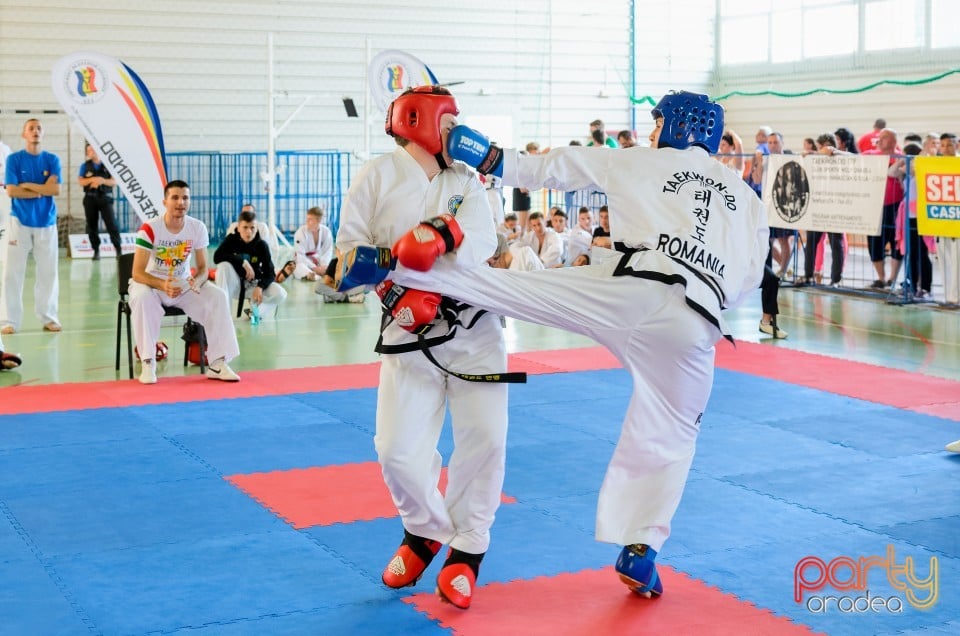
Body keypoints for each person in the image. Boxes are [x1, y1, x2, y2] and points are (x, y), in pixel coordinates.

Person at [394, 90, 768, 599]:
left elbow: (560, 167)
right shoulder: (746, 197)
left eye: (657, 124)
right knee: (675, 434)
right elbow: (749, 278)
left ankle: (394, 268)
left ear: (678, 126)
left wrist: (490, 158)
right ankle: (642, 548)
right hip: (698, 321)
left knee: (520, 290)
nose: (653, 133)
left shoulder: (641, 161)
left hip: (635, 288)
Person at [334, 85, 510, 610]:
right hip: (407, 329)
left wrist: (442, 233)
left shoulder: (467, 181)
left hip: (476, 331)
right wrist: (389, 277)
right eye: (450, 121)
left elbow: (483, 244)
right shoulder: (376, 175)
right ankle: (425, 529)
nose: (458, 131)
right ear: (422, 120)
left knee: (486, 442)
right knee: (396, 449)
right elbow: (345, 259)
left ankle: (467, 550)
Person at [129, 179, 241, 385]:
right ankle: (148, 362)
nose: (181, 202)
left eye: (185, 198)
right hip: (153, 284)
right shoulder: (149, 228)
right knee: (142, 297)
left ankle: (218, 363)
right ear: (165, 202)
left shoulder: (197, 228)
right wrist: (163, 285)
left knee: (218, 295)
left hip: (183, 284)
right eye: (175, 198)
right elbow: (137, 272)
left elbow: (202, 269)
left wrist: (195, 283)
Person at [1, 119, 62, 335]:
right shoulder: (14, 160)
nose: (35, 131)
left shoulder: (52, 159)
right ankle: (9, 321)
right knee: (12, 273)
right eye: (31, 128)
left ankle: (49, 317)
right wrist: (40, 190)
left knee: (48, 272)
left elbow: (55, 189)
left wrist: (27, 185)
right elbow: (11, 191)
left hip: (46, 222)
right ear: (23, 134)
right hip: (19, 222)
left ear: (42, 134)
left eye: (39, 128)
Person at [214, 208, 288, 320]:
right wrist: (242, 261)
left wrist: (260, 287)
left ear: (256, 228)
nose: (249, 231)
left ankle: (256, 312)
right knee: (223, 266)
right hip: (235, 285)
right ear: (238, 228)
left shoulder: (261, 245)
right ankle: (224, 316)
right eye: (245, 227)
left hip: (253, 286)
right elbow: (217, 257)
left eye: (252, 228)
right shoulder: (231, 240)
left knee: (281, 293)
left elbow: (270, 273)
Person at [863, 128, 904, 288]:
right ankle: (881, 278)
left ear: (894, 141)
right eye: (879, 137)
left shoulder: (902, 157)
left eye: (884, 137)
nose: (879, 140)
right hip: (874, 205)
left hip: (896, 206)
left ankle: (892, 278)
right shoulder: (869, 155)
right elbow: (851, 159)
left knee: (897, 241)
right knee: (874, 242)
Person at [77, 142, 122, 260]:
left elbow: (114, 181)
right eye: (88, 151)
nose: (90, 153)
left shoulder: (108, 165)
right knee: (92, 225)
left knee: (111, 223)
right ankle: (96, 250)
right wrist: (93, 179)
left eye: (92, 150)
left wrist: (102, 180)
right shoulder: (85, 166)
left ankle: (118, 249)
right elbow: (81, 181)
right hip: (90, 198)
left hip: (105, 198)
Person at [292, 206, 334, 281]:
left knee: (335, 265)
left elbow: (327, 251)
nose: (307, 222)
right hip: (304, 262)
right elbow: (299, 255)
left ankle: (319, 273)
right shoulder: (300, 232)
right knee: (298, 267)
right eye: (307, 219)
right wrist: (314, 268)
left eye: (310, 219)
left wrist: (324, 265)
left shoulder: (326, 232)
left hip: (318, 261)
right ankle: (314, 275)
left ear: (319, 220)